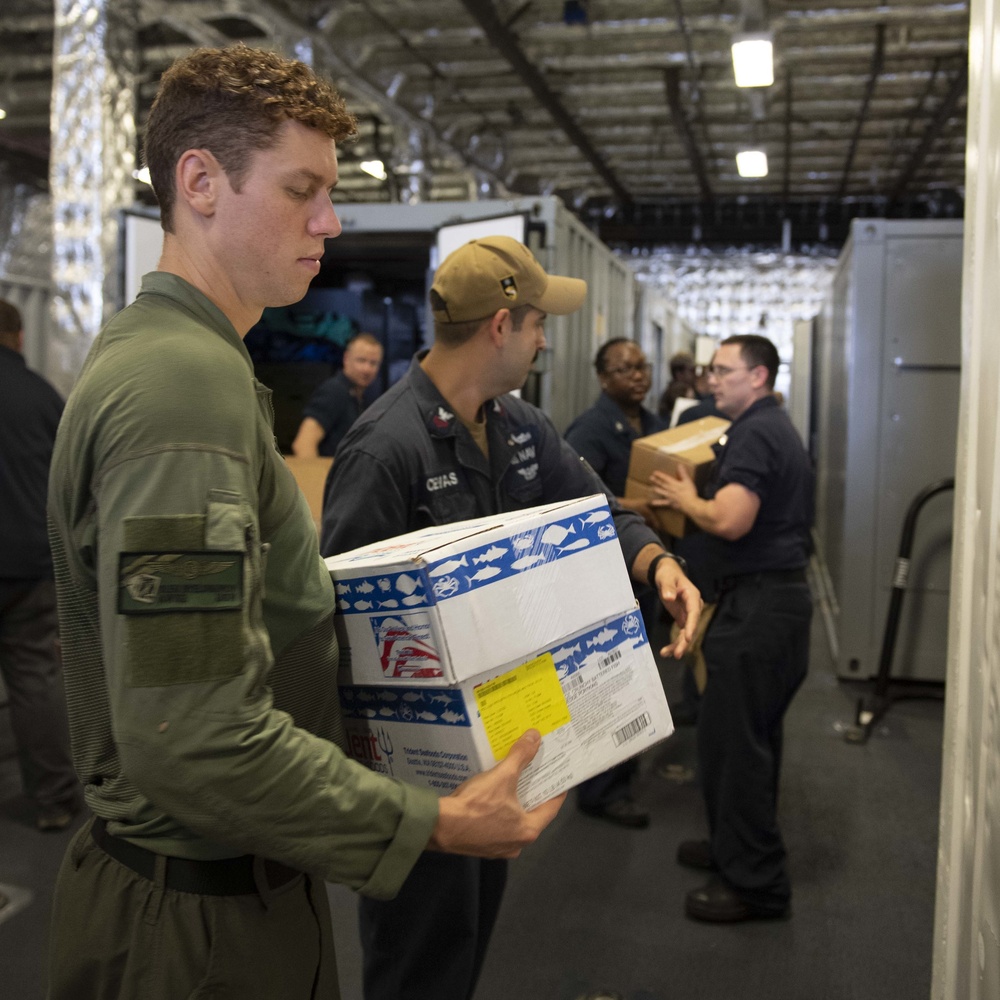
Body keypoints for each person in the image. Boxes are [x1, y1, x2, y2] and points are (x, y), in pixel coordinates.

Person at [45, 45, 564, 1000]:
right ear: (200, 181)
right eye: (302, 190)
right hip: (198, 929)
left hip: (227, 893)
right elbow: (190, 732)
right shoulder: (180, 383)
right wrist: (434, 824)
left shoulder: (188, 359)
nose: (329, 220)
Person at [320, 235, 703, 1000]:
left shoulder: (520, 426)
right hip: (421, 772)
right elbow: (339, 629)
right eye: (536, 324)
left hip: (501, 740)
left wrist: (659, 564)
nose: (543, 339)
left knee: (468, 941)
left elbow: (595, 509)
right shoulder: (385, 447)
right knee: (418, 956)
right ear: (501, 326)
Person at [649, 334, 813, 923]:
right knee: (741, 741)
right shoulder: (768, 427)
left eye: (724, 370)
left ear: (759, 377)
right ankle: (733, 849)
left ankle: (757, 884)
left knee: (738, 749)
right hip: (774, 603)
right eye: (711, 370)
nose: (712, 380)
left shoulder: (754, 432)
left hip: (762, 608)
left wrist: (685, 498)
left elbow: (732, 519)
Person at [564, 337, 666, 828]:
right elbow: (585, 505)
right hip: (606, 574)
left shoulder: (652, 426)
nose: (638, 375)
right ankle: (602, 789)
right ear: (604, 378)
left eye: (642, 366)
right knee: (608, 681)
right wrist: (649, 509)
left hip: (642, 570)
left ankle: (624, 770)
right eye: (626, 369)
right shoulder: (590, 429)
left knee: (638, 678)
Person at [0, 299, 81, 832]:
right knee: (34, 677)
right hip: (28, 562)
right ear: (19, 336)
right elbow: (69, 482)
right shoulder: (42, 396)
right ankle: (53, 799)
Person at [291, 330, 383, 457]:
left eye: (373, 363)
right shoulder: (335, 391)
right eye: (361, 360)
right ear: (346, 359)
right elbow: (303, 444)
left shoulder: (360, 397)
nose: (367, 369)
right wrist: (316, 476)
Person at [656, 350, 698, 422]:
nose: (695, 374)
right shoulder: (676, 394)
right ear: (679, 373)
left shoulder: (668, 393)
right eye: (692, 370)